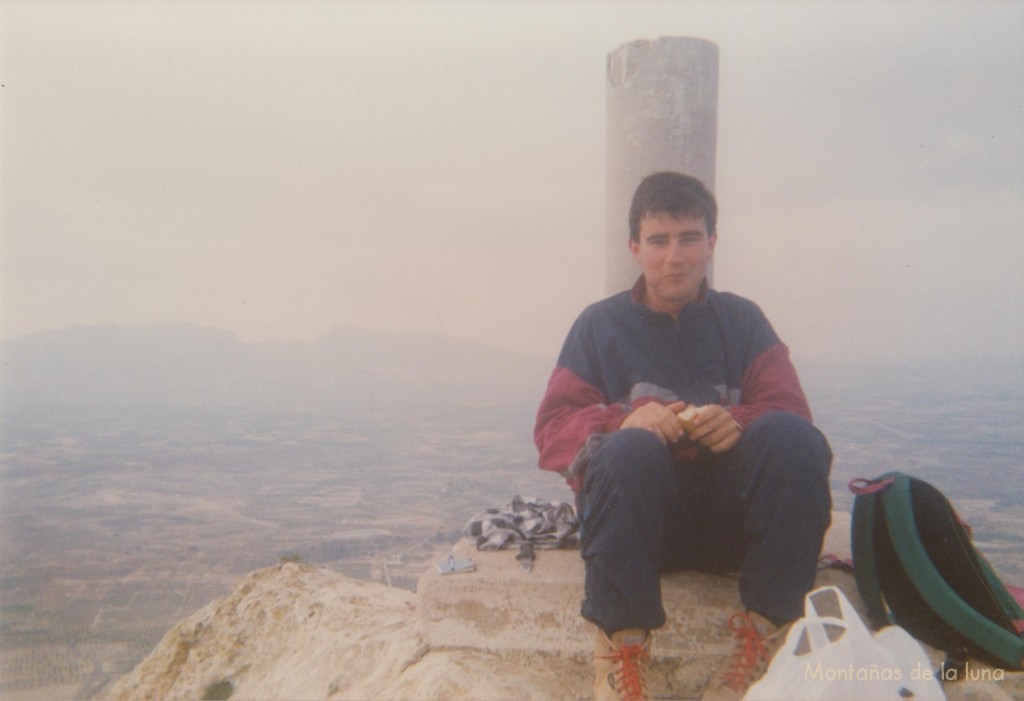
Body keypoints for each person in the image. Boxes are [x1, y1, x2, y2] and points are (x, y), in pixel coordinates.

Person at [534, 172, 833, 701]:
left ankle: (764, 637)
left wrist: (739, 419)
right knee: (629, 448)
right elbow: (554, 429)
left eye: (690, 238)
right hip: (640, 531)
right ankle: (620, 654)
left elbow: (792, 411)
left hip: (728, 526)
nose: (675, 256)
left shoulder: (742, 321)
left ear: (711, 243)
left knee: (791, 438)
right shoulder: (599, 326)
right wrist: (623, 420)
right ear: (635, 248)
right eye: (659, 240)